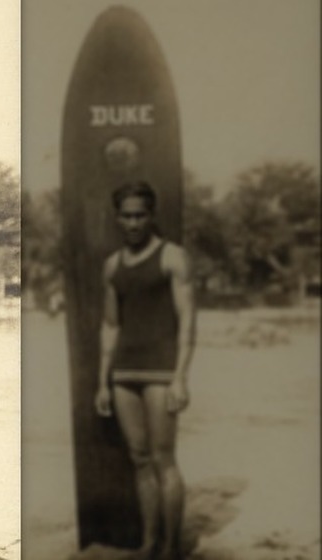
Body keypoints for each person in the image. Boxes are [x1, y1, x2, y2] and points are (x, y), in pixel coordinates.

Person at [94, 181, 196, 560]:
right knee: (138, 458)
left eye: (140, 215)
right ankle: (149, 543)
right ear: (117, 218)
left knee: (163, 459)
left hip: (160, 372)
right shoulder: (112, 266)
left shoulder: (173, 258)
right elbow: (110, 325)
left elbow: (187, 320)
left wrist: (181, 376)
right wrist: (103, 381)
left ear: (151, 216)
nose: (133, 222)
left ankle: (172, 548)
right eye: (126, 215)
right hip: (123, 374)